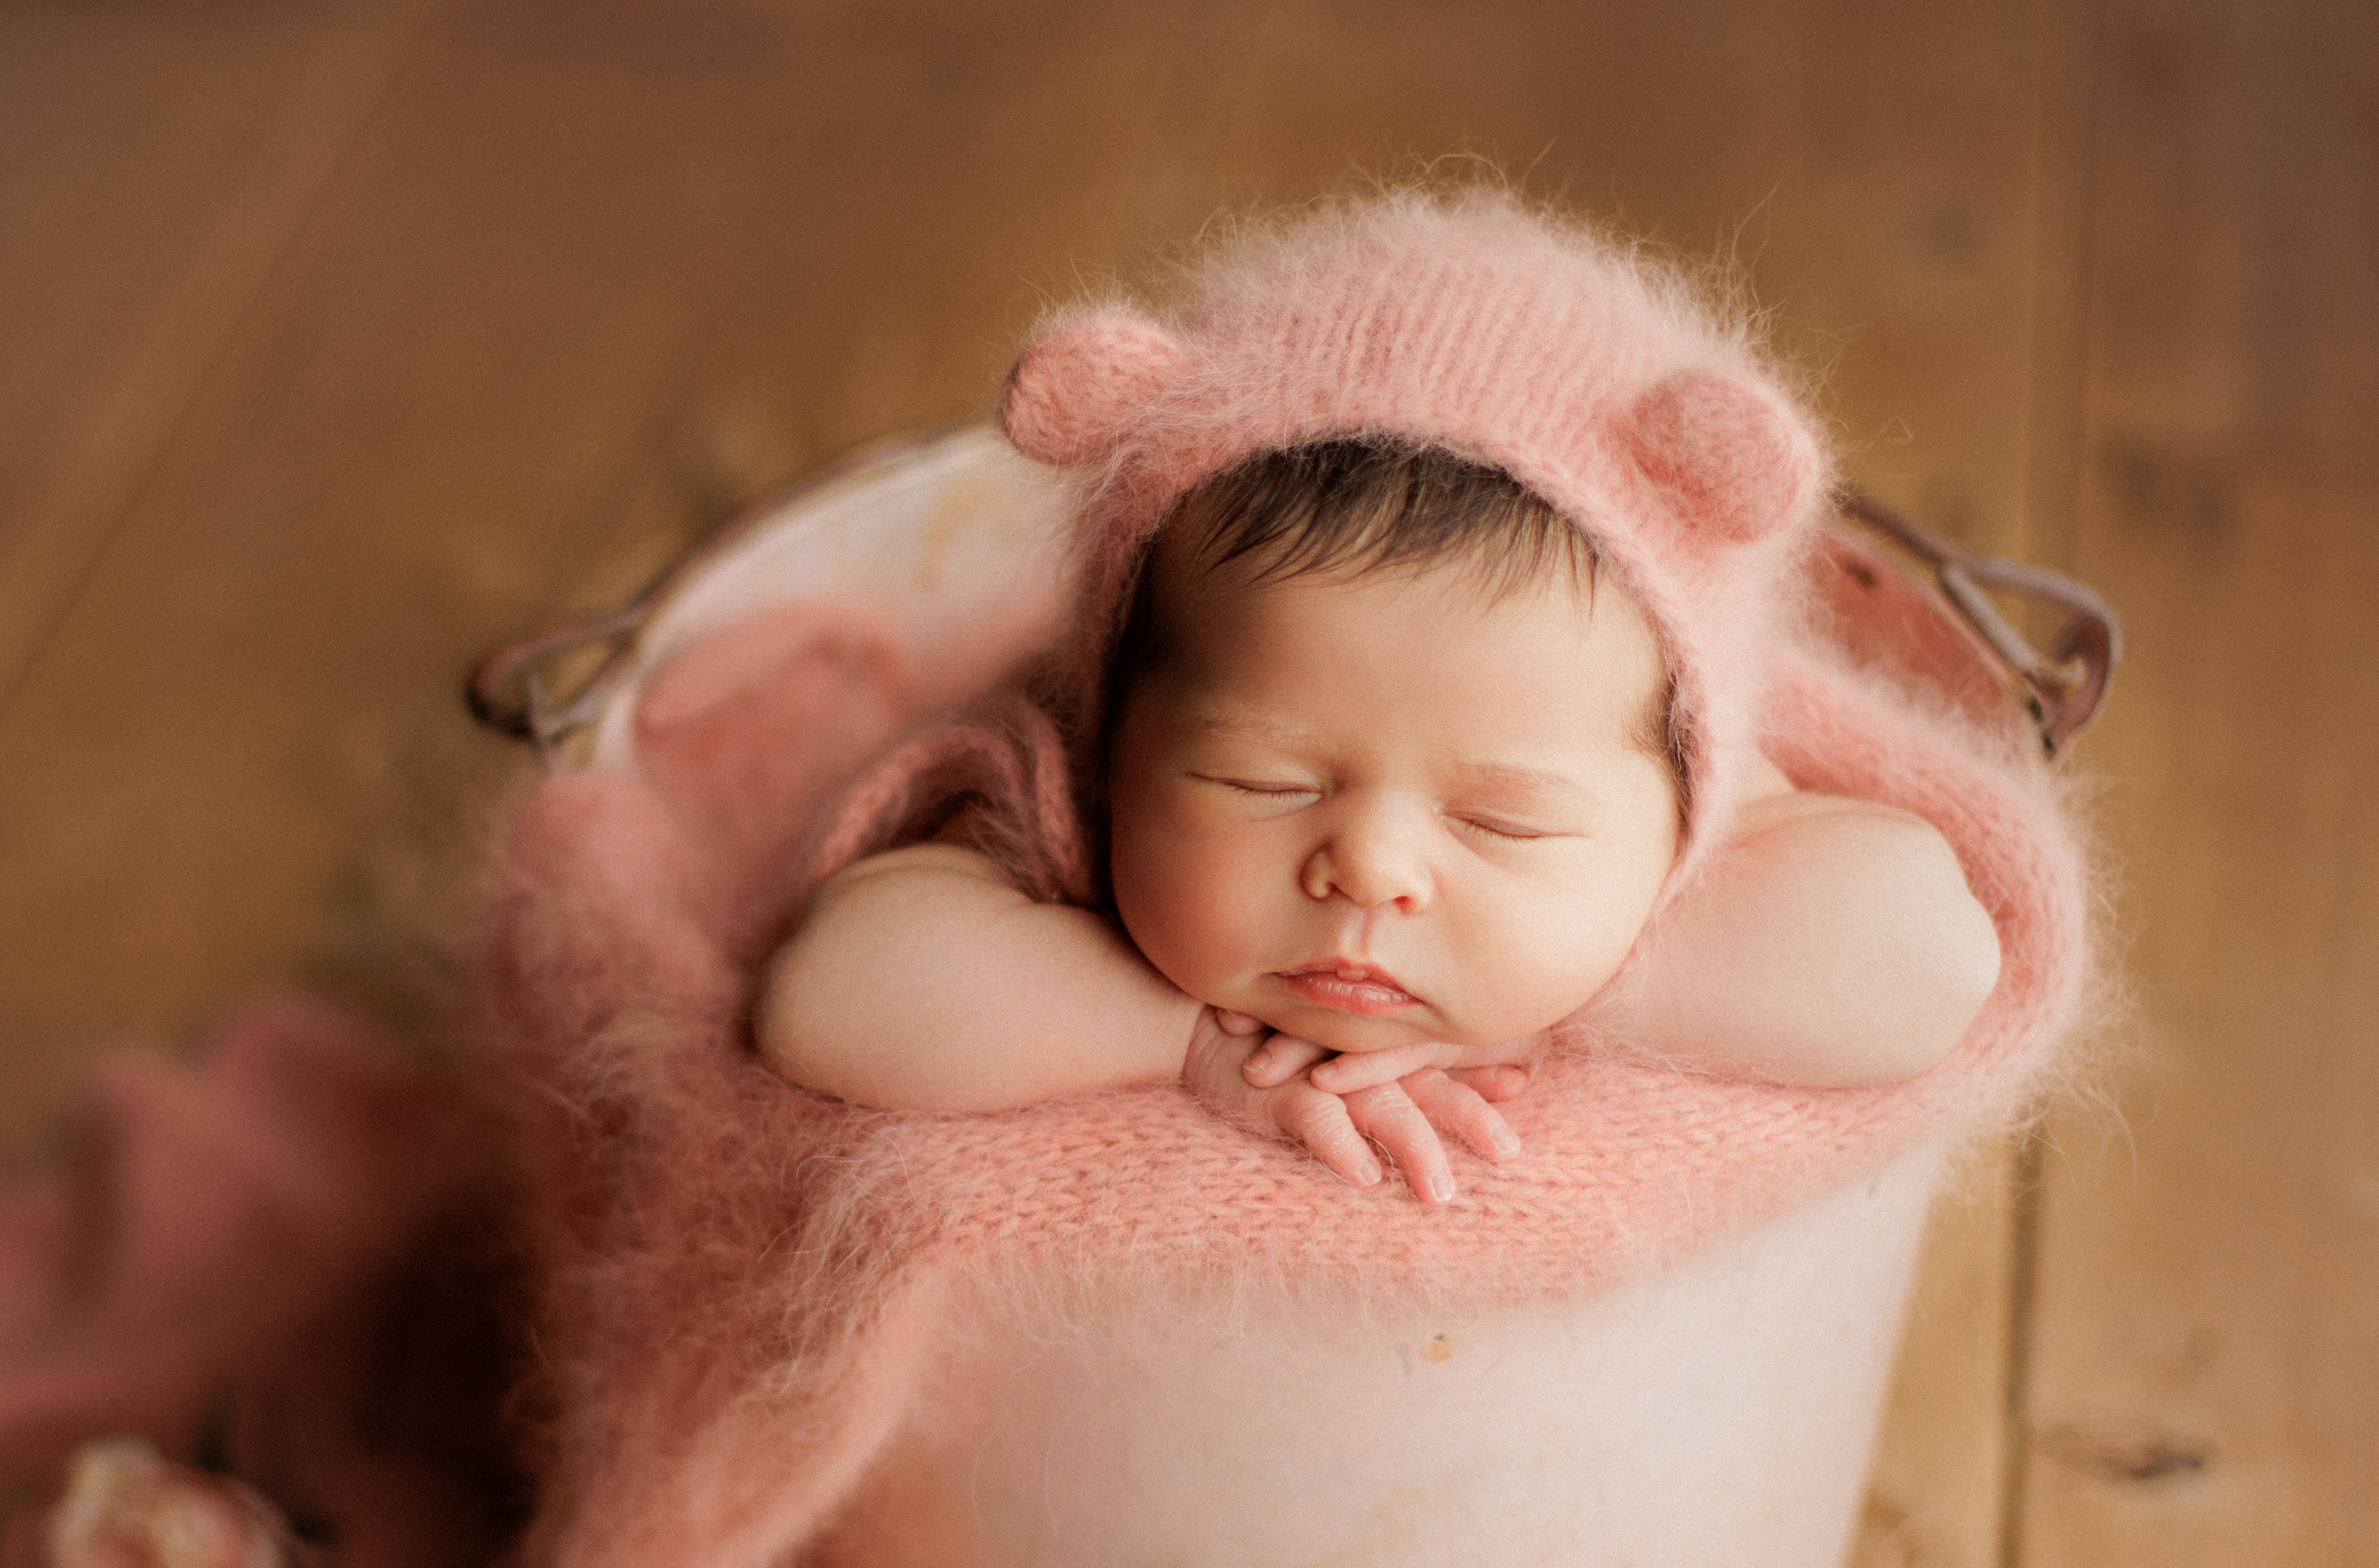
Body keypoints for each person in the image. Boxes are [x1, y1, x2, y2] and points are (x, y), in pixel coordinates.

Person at [751, 192, 2003, 1200]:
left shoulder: (1703, 804)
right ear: (1116, 739)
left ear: (1687, 797)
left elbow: (1931, 962)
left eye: (1501, 821)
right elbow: (828, 1002)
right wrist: (1176, 1039)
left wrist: (1562, 1001)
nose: (1370, 871)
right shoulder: (1058, 805)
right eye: (1263, 782)